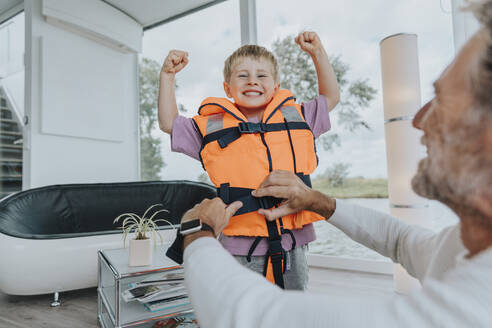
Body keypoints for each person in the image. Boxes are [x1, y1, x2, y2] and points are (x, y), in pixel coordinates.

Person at [178, 1, 492, 327]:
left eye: (442, 99)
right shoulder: (462, 247)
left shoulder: (473, 308)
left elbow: (255, 317)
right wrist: (318, 202)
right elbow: (400, 241)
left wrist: (197, 233)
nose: (418, 119)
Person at [158, 32, 340, 289]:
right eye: (242, 75)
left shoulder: (299, 116)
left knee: (292, 308)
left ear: (276, 86)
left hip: (292, 240)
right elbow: (168, 123)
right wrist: (167, 76)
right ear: (227, 88)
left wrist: (318, 53)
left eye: (262, 75)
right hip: (238, 242)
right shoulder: (211, 126)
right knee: (243, 308)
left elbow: (330, 98)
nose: (252, 81)